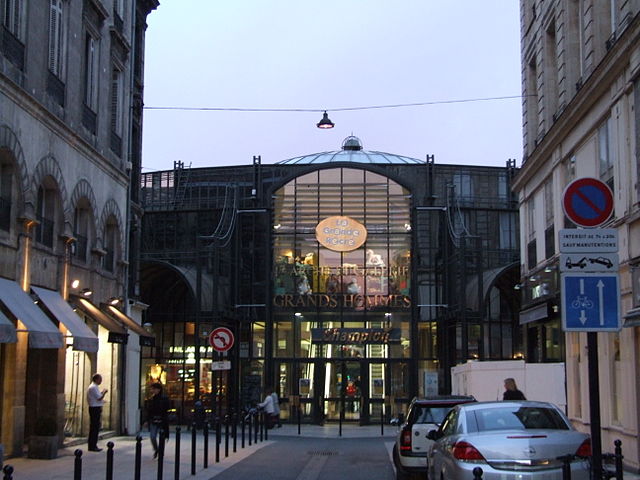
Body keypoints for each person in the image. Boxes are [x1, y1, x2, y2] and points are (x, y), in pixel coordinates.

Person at [144, 382, 170, 459]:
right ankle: (157, 450)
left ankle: (160, 452)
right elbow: (149, 411)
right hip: (153, 420)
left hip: (162, 420)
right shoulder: (152, 398)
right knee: (152, 436)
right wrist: (146, 420)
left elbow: (166, 409)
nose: (152, 390)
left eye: (153, 389)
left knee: (162, 437)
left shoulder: (164, 399)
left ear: (158, 389)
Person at [86, 373, 108, 452]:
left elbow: (98, 397)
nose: (101, 381)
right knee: (94, 427)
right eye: (100, 379)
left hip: (95, 408)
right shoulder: (93, 387)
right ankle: (92, 445)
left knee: (95, 427)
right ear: (96, 379)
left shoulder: (94, 387)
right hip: (94, 409)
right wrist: (104, 392)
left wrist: (102, 394)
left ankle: (93, 444)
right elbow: (99, 398)